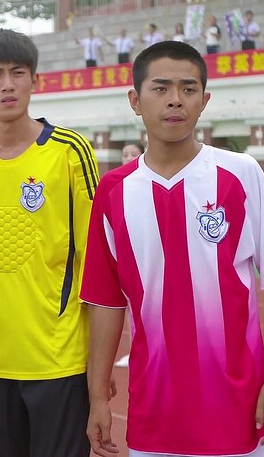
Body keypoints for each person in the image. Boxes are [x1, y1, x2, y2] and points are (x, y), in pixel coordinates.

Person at [83, 41, 264, 457]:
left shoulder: (240, 174)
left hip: (238, 409)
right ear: (135, 100)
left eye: (188, 89)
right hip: (154, 409)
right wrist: (97, 397)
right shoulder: (113, 191)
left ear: (204, 101)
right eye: (161, 88)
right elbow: (106, 301)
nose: (175, 100)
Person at [0, 29, 100, 457]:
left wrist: (99, 370)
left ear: (35, 81)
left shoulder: (69, 152)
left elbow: (97, 262)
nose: (7, 85)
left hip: (60, 361)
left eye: (18, 73)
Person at [113, 140, 145, 369]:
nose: (128, 158)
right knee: (127, 303)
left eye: (133, 154)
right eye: (125, 154)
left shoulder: (147, 181)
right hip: (125, 251)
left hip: (146, 254)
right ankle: (135, 349)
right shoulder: (116, 184)